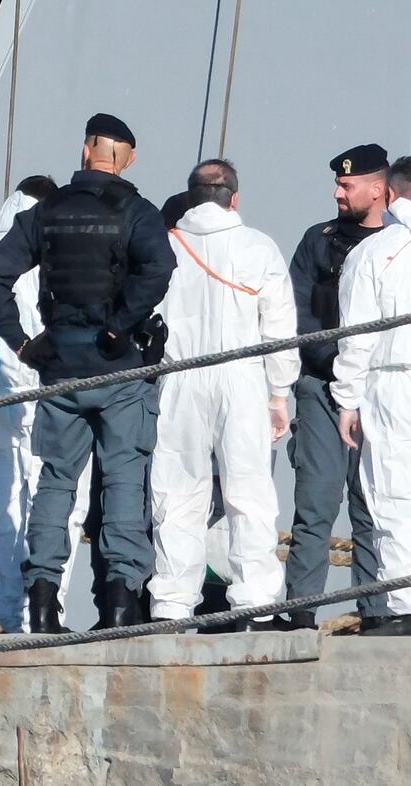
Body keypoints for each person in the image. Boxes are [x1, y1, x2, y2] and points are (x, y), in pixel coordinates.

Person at [0, 113, 174, 631]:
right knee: (126, 484)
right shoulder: (137, 211)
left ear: (86, 150)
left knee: (56, 484)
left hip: (60, 369)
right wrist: (121, 324)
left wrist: (21, 342)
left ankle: (42, 606)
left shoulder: (46, 212)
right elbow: (159, 268)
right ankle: (118, 606)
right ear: (125, 158)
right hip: (120, 370)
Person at [148, 159, 298, 629]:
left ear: (192, 196)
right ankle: (255, 603)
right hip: (243, 377)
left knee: (178, 494)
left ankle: (171, 603)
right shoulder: (258, 247)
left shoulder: (166, 246)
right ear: (234, 197)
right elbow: (279, 328)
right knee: (249, 493)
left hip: (182, 378)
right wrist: (280, 394)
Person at [0, 175, 93, 632]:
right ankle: (45, 612)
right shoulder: (41, 252)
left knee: (3, 513)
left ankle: (13, 616)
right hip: (38, 393)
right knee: (56, 507)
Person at [282, 144, 394, 630]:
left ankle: (378, 612)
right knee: (315, 506)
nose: (338, 193)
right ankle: (300, 612)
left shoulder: (398, 246)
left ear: (378, 188)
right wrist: (335, 360)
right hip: (324, 391)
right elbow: (298, 313)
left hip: (381, 395)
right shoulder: (318, 240)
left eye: (347, 186)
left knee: (374, 506)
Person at [333, 158, 411, 635]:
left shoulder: (375, 252)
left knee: (392, 493)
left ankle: (403, 604)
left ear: (394, 195)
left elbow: (357, 337)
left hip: (391, 382)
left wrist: (347, 400)